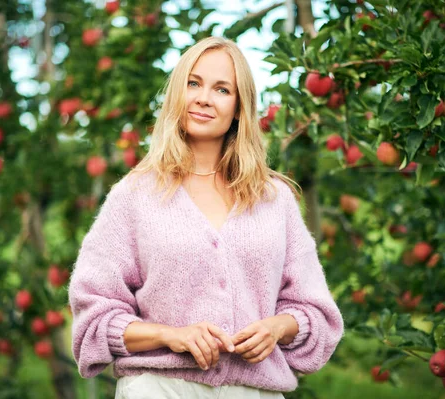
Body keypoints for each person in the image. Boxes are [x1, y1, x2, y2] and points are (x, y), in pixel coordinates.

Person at [68, 36, 344, 399]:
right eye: (193, 83)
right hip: (158, 388)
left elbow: (316, 313)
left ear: (239, 107)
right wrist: (170, 335)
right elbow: (94, 319)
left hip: (254, 391)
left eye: (222, 89)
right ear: (176, 95)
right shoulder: (134, 196)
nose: (203, 98)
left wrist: (277, 327)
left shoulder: (273, 200)